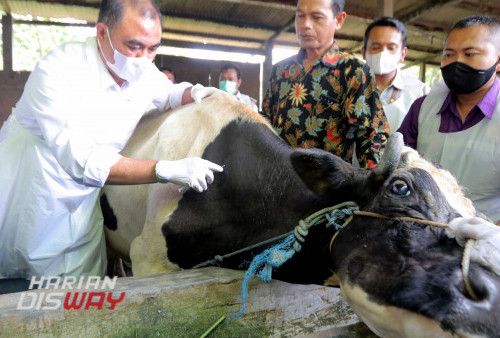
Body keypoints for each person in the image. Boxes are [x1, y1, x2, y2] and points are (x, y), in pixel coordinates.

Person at [0, 0, 223, 287]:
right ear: (102, 33)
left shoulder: (141, 71)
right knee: (20, 290)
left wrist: (196, 93)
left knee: (81, 291)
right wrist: (163, 169)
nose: (144, 58)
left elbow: (168, 93)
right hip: (32, 188)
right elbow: (81, 161)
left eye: (153, 48)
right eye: (133, 46)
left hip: (85, 201)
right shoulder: (60, 69)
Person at [398, 15, 500, 224]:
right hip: (425, 231)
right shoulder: (423, 108)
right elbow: (399, 165)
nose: (457, 62)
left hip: (489, 239)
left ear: (498, 60)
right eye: (449, 54)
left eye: (470, 54)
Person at [263, 0, 389, 168]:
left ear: (338, 20)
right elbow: (265, 125)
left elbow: (371, 138)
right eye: (300, 16)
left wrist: (374, 184)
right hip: (278, 182)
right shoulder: (280, 70)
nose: (305, 25)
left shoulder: (353, 71)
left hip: (327, 188)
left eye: (317, 17)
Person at [362, 17, 429, 134]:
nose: (383, 53)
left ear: (403, 54)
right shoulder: (348, 88)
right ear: (364, 52)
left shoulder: (421, 94)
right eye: (376, 47)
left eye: (391, 48)